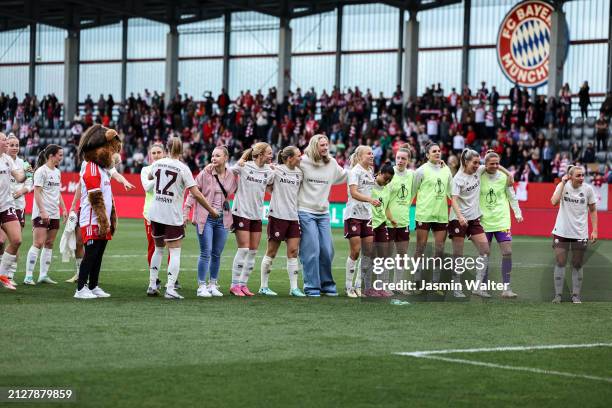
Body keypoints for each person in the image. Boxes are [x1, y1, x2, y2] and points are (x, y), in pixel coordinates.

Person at [146, 137, 219, 299]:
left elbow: (151, 177)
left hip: (156, 212)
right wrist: (211, 210)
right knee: (175, 251)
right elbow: (196, 193)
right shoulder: (183, 168)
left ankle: (152, 284)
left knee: (158, 249)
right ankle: (170, 288)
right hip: (171, 214)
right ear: (182, 151)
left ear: (167, 149)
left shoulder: (158, 163)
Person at [448, 149, 512, 298]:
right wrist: (460, 217)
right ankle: (456, 287)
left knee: (485, 250)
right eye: (474, 163)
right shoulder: (458, 179)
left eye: (478, 162)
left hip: (474, 219)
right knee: (458, 254)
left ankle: (477, 287)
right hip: (458, 220)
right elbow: (454, 200)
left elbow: (495, 166)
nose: (478, 165)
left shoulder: (478, 171)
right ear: (466, 162)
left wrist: (509, 174)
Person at [65, 159, 135, 283]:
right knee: (80, 242)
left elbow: (115, 174)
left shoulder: (105, 163)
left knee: (95, 248)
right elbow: (81, 185)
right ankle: (80, 275)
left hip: (101, 212)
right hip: (88, 208)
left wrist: (124, 181)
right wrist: (73, 205)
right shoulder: (87, 165)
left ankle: (90, 281)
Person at [184, 146, 237, 297]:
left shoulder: (231, 175)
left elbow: (238, 188)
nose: (213, 158)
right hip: (205, 218)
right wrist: (186, 212)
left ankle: (213, 284)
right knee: (206, 252)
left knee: (217, 254)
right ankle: (201, 286)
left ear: (226, 158)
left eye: (217, 156)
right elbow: (192, 193)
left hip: (223, 219)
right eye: (212, 155)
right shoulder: (204, 173)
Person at [298, 135, 347, 297]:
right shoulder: (302, 161)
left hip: (323, 213)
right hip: (305, 211)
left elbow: (346, 175)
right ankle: (311, 286)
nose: (326, 148)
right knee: (311, 250)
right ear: (314, 146)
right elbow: (287, 171)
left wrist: (362, 170)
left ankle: (327, 284)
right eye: (322, 145)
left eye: (327, 145)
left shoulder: (331, 163)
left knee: (327, 249)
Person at [258, 146, 305, 297]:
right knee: (271, 251)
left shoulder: (300, 173)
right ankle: (263, 287)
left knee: (293, 251)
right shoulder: (276, 170)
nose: (301, 157)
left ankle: (294, 288)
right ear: (289, 158)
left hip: (293, 217)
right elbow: (265, 183)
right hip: (277, 215)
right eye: (298, 155)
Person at [550, 165, 598, 304]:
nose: (582, 178)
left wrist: (594, 230)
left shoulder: (588, 189)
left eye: (583, 175)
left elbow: (593, 210)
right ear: (570, 176)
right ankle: (558, 295)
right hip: (561, 231)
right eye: (578, 175)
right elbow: (554, 202)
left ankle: (576, 295)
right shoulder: (563, 186)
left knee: (577, 264)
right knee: (560, 262)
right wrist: (562, 183)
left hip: (580, 232)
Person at [479, 151, 523, 298]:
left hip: (502, 221)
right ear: (485, 164)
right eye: (492, 163)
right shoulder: (479, 176)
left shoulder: (504, 177)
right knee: (484, 254)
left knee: (507, 252)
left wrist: (518, 213)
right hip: (484, 222)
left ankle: (506, 288)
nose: (495, 166)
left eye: (498, 163)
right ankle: (482, 287)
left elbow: (512, 196)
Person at [411, 142, 452, 294]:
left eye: (439, 151)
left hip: (441, 214)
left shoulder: (446, 170)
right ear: (427, 155)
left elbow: (451, 192)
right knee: (420, 247)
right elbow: (412, 192)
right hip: (424, 213)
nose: (437, 153)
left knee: (440, 249)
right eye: (434, 151)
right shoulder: (421, 171)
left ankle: (435, 283)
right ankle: (417, 280)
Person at [24, 145, 67, 285]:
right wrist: (42, 211)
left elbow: (57, 192)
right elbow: (37, 192)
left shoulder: (57, 172)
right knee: (38, 243)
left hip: (55, 213)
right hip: (42, 213)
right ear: (51, 156)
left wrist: (64, 208)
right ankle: (28, 276)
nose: (61, 157)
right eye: (59, 155)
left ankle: (43, 275)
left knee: (49, 243)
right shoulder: (41, 172)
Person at [343, 146, 379, 298]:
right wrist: (370, 200)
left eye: (372, 153)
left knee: (368, 252)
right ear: (359, 156)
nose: (372, 155)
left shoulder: (370, 172)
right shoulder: (354, 172)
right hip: (354, 215)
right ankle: (348, 286)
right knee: (355, 251)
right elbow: (354, 192)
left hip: (367, 216)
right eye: (368, 153)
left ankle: (359, 285)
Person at [0, 135, 32, 286]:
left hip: (8, 205)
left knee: (17, 240)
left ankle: (5, 275)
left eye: (13, 143)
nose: (8, 143)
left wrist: (28, 173)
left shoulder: (10, 160)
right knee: (0, 240)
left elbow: (20, 178)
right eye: (5, 140)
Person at [385, 145, 414, 292]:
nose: (400, 161)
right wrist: (389, 217)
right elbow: (383, 198)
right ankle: (384, 285)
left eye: (403, 158)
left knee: (402, 255)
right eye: (398, 158)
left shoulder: (411, 175)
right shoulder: (390, 174)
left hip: (404, 222)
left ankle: (398, 285)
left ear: (408, 160)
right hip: (390, 222)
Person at [140, 143, 167, 290]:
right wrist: (158, 174)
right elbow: (147, 187)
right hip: (150, 214)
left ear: (164, 154)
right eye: (154, 153)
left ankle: (172, 279)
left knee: (171, 246)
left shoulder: (170, 168)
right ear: (150, 155)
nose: (156, 155)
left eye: (159, 152)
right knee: (153, 246)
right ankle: (154, 279)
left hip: (167, 212)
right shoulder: (146, 170)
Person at [369, 162, 395, 296]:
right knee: (370, 256)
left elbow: (386, 206)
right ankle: (365, 287)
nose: (387, 181)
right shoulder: (369, 185)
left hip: (381, 223)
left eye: (390, 180)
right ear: (379, 173)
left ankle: (380, 287)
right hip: (370, 223)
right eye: (386, 178)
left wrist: (391, 218)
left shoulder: (387, 188)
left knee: (383, 257)